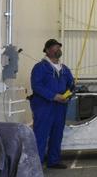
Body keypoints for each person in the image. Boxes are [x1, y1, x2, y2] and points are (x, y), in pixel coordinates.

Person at [30, 38, 75, 169]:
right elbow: (36, 86)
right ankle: (36, 164)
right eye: (54, 48)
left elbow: (71, 85)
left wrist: (68, 96)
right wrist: (54, 96)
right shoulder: (40, 68)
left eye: (59, 47)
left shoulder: (64, 69)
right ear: (47, 50)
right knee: (41, 134)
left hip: (60, 107)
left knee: (57, 133)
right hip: (44, 106)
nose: (57, 50)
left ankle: (53, 160)